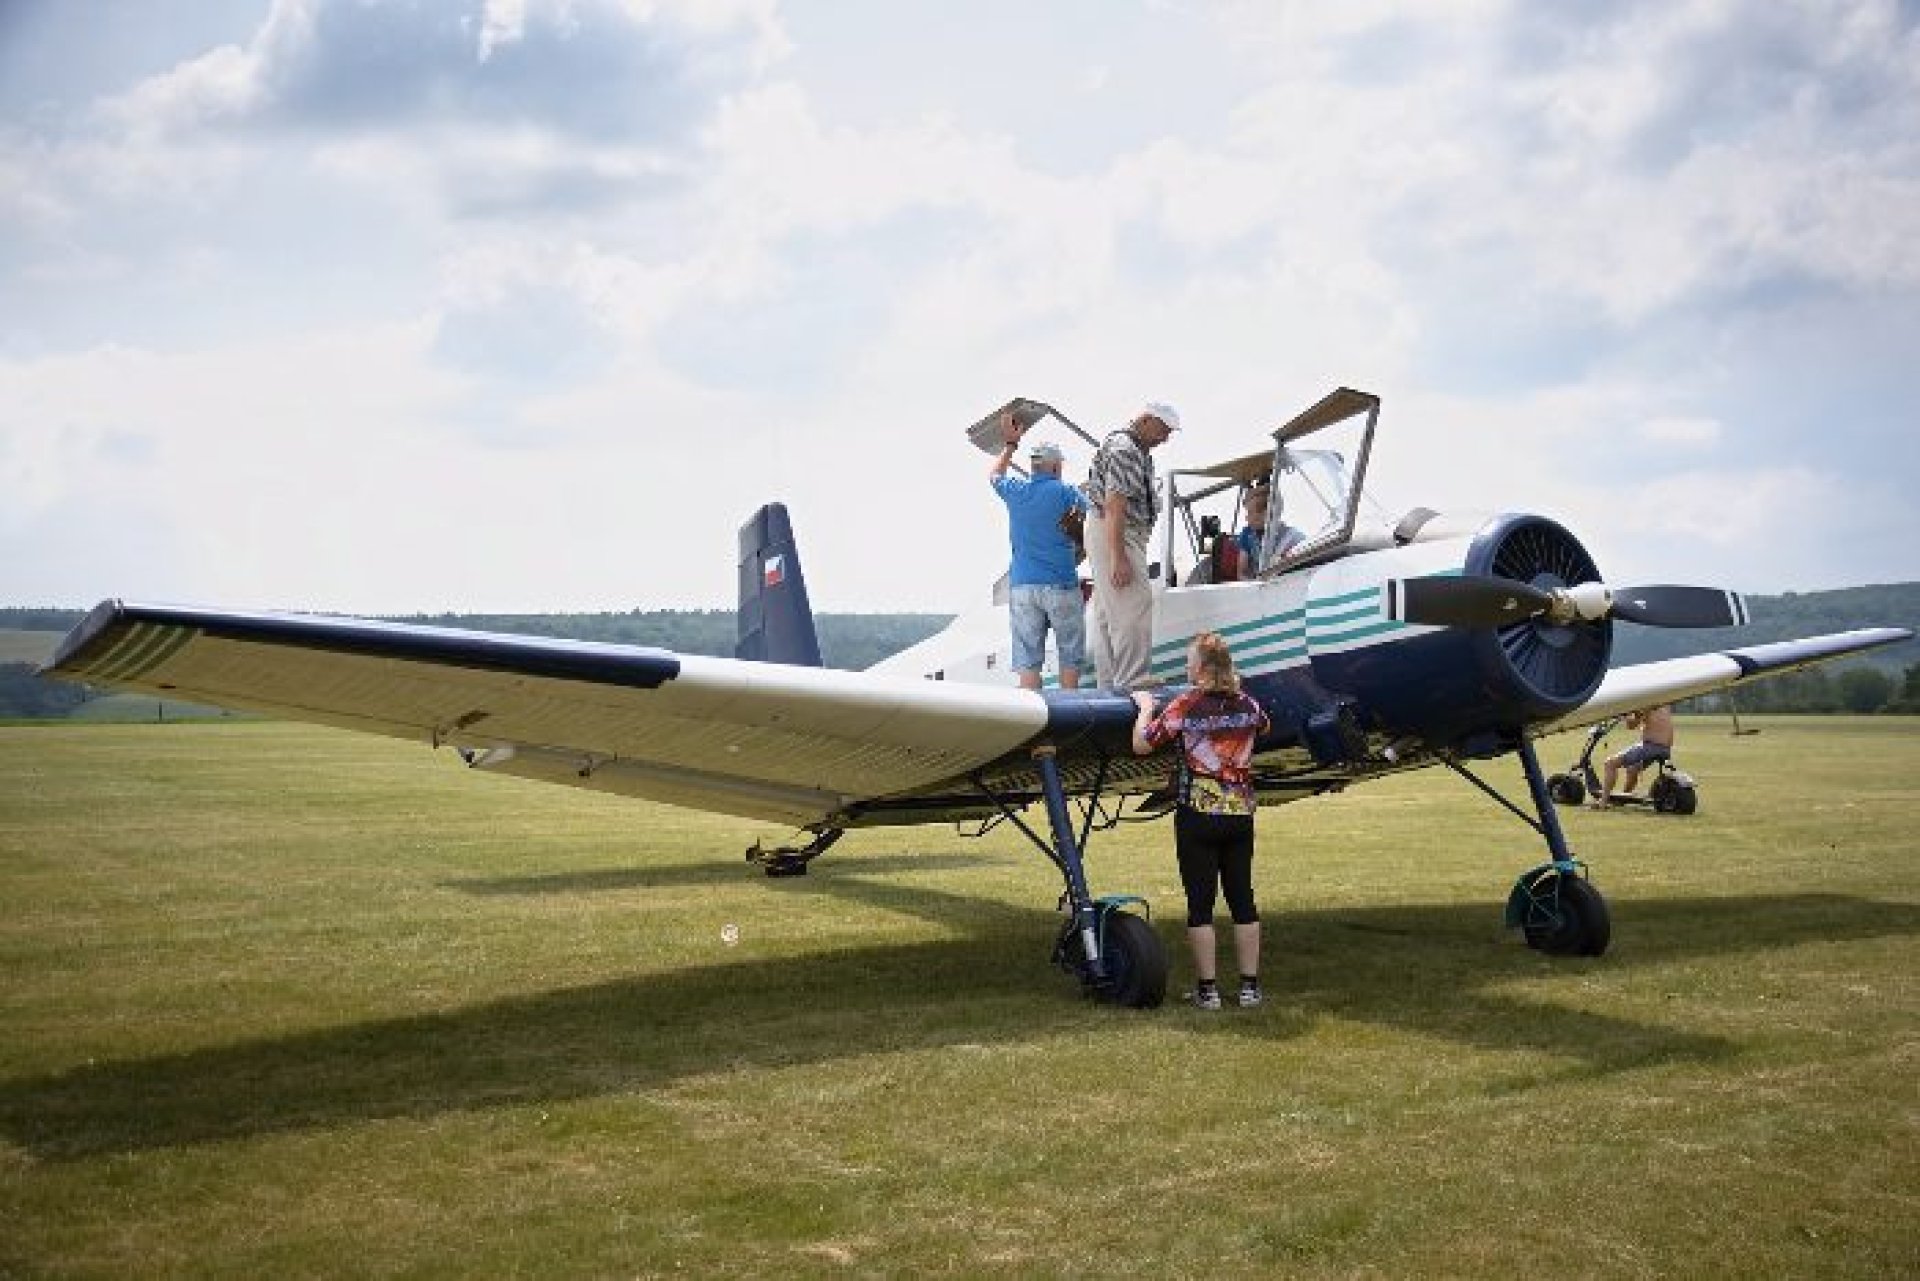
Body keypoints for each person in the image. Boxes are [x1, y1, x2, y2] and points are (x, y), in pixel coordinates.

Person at [1130, 632, 1272, 1010]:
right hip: (1239, 815)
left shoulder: (1186, 704)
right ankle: (1250, 988)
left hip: (1198, 815)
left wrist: (1145, 707)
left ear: (1202, 669)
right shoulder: (1249, 704)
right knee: (1243, 901)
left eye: (1190, 662)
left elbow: (1142, 744)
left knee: (1200, 905)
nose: (1186, 667)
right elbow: (1264, 727)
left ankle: (1208, 991)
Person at [1083, 401, 1179, 689]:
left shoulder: (1134, 448)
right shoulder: (1126, 450)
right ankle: (1133, 679)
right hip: (1117, 531)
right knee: (1134, 604)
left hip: (1110, 529)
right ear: (1146, 420)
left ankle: (1110, 683)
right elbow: (1115, 504)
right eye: (1163, 430)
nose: (1165, 438)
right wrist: (1118, 556)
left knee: (1107, 610)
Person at [990, 412, 1088, 690]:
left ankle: (1032, 711)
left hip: (1022, 586)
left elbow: (994, 475)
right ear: (1055, 467)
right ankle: (1070, 709)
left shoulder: (1015, 490)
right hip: (1061, 583)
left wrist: (1010, 445)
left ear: (1033, 468)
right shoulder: (1067, 492)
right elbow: (1096, 517)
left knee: (1028, 662)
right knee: (1070, 655)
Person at [1594, 705, 1675, 806]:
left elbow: (1631, 726)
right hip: (1665, 748)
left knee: (1610, 763)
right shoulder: (1664, 704)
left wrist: (1626, 716)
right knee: (1632, 769)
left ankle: (1603, 801)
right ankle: (1622, 799)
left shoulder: (1647, 703)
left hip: (1651, 746)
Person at [1233, 480, 1307, 579]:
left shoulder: (1294, 538)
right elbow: (1242, 573)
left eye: (1250, 512)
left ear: (1267, 514)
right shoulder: (1247, 534)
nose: (1246, 518)